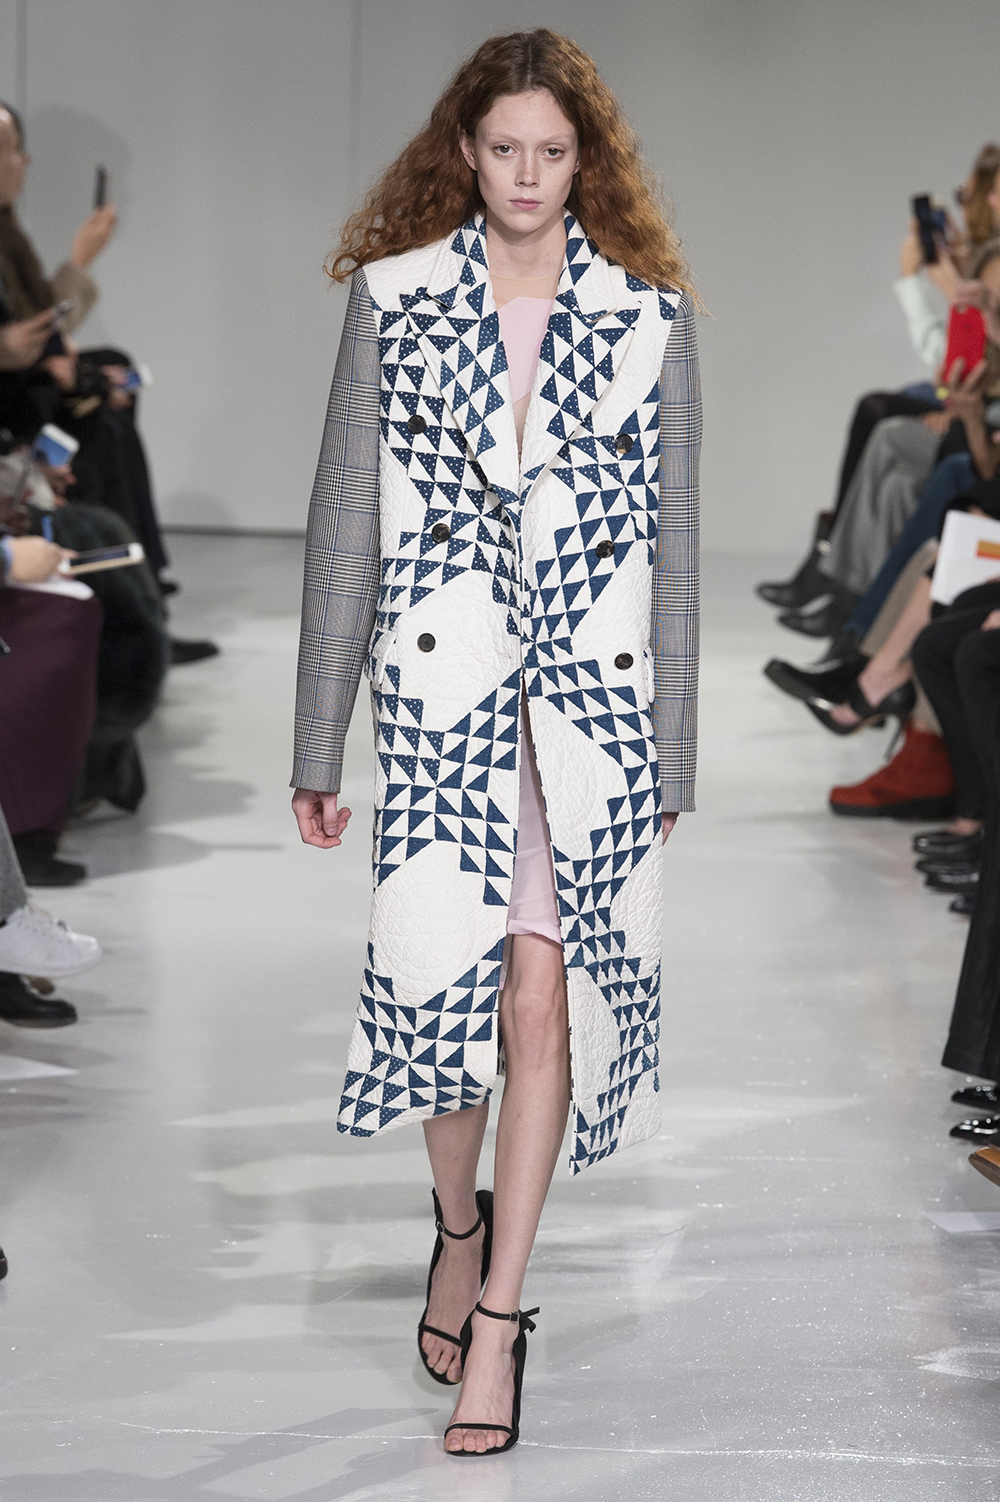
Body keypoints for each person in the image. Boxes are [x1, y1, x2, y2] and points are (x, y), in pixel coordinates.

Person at [291, 28, 699, 1456]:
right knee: (438, 999)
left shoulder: (646, 317)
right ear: (464, 151)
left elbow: (676, 541)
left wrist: (672, 751)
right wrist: (319, 740)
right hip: (446, 696)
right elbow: (344, 523)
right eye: (506, 148)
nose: (529, 175)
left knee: (541, 1002)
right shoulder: (397, 298)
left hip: (588, 710)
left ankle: (504, 1317)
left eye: (554, 151)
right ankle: (455, 1226)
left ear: (588, 161)